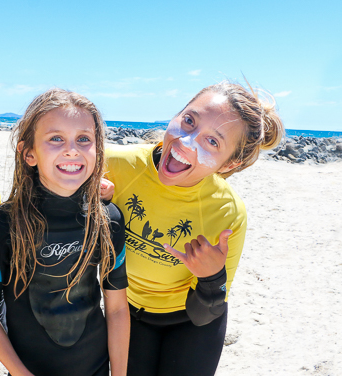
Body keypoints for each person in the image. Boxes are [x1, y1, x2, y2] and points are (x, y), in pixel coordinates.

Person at [104, 81, 284, 376]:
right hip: (126, 310)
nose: (186, 142)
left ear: (229, 164)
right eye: (189, 121)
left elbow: (207, 312)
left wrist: (212, 276)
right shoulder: (115, 165)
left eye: (212, 142)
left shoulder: (228, 212)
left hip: (190, 323)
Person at [0, 88, 130, 376]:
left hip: (95, 367)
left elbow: (117, 308)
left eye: (84, 139)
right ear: (29, 153)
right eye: (56, 138)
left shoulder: (109, 219)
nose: (72, 149)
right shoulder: (1, 225)